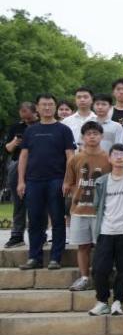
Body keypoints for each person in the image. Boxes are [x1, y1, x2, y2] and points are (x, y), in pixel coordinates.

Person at [17, 94, 76, 270]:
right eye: (44, 104)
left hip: (56, 180)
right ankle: (34, 257)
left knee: (57, 219)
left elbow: (70, 157)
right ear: (37, 107)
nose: (47, 107)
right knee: (35, 219)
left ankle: (55, 258)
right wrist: (21, 181)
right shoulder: (31, 130)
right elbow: (23, 156)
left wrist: (68, 180)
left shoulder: (63, 130)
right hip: (33, 181)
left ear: (55, 107)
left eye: (50, 104)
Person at [87, 143, 123, 316]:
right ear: (109, 159)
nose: (119, 157)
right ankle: (102, 301)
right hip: (105, 231)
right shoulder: (101, 182)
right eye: (115, 154)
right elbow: (97, 205)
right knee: (99, 269)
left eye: (122, 154)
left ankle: (118, 301)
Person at [65, 121, 112, 291]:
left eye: (95, 133)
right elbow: (69, 184)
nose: (92, 137)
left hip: (101, 211)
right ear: (83, 137)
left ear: (101, 136)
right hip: (79, 210)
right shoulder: (75, 158)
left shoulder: (108, 158)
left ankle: (102, 277)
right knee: (83, 246)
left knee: (102, 247)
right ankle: (84, 277)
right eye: (88, 134)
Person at [4, 102, 37, 249]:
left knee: (38, 203)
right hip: (17, 163)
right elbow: (8, 149)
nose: (24, 114)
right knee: (18, 202)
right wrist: (16, 141)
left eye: (26, 111)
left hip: (37, 164)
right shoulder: (16, 127)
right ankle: (17, 235)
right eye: (21, 111)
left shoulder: (41, 125)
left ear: (34, 111)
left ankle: (38, 235)